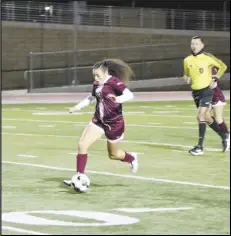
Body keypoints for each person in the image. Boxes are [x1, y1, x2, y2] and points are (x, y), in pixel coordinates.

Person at [63, 59, 138, 187]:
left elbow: (129, 95)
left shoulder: (114, 82)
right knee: (82, 145)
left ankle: (131, 158)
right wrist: (77, 107)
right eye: (94, 75)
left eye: (98, 75)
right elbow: (91, 97)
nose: (95, 78)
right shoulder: (97, 84)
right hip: (98, 121)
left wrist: (117, 99)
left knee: (113, 155)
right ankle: (79, 177)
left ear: (105, 73)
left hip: (114, 123)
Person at [183, 36, 229, 156]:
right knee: (207, 118)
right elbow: (186, 74)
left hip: (207, 90)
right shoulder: (187, 60)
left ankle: (199, 147)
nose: (194, 46)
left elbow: (223, 66)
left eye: (197, 44)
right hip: (196, 92)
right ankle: (224, 136)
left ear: (202, 45)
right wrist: (186, 78)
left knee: (200, 116)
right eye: (192, 43)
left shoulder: (207, 57)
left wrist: (215, 78)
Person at [207, 66, 230, 143]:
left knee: (218, 118)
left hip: (216, 96)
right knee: (205, 116)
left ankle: (227, 136)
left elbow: (213, 85)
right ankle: (224, 134)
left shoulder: (211, 68)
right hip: (206, 96)